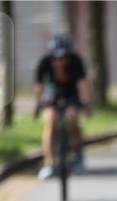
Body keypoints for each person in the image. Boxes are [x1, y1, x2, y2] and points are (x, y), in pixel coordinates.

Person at [33, 35, 92, 180]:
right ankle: (49, 163)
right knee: (51, 121)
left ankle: (78, 155)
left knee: (72, 118)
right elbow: (39, 87)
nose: (60, 61)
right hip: (52, 92)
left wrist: (86, 103)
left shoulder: (76, 62)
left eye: (64, 57)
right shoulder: (44, 63)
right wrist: (36, 105)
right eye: (57, 58)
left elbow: (82, 85)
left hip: (71, 93)